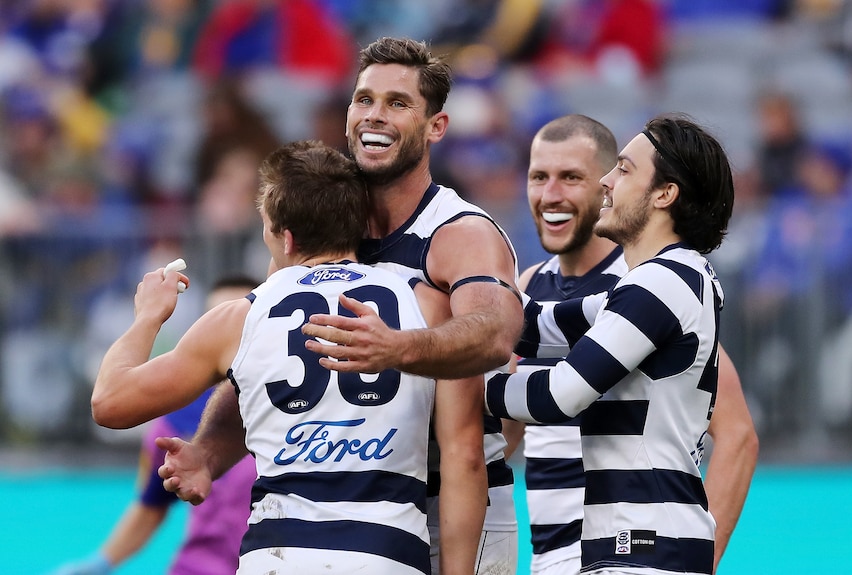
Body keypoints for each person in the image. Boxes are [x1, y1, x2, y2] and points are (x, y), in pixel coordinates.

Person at [163, 37, 525, 575]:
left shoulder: (459, 233)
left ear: (436, 127)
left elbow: (495, 334)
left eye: (398, 103)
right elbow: (266, 368)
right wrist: (209, 451)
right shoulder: (322, 223)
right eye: (365, 99)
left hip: (456, 506)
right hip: (352, 514)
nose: (374, 116)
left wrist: (399, 348)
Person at [91, 140, 484, 574]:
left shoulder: (240, 317)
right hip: (387, 552)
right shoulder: (429, 306)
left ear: (287, 237)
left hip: (278, 554)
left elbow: (110, 403)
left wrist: (148, 316)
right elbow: (465, 457)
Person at [502, 114, 757, 574]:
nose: (606, 182)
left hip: (640, 546)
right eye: (539, 176)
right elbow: (537, 323)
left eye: (621, 169)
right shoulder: (646, 285)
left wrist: (454, 386)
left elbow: (561, 395)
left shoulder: (659, 284)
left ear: (664, 193)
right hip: (602, 547)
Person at [49, 276, 260, 575]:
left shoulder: (297, 404)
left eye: (240, 321)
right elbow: (151, 504)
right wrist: (100, 562)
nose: (230, 333)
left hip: (273, 563)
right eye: (219, 317)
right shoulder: (176, 416)